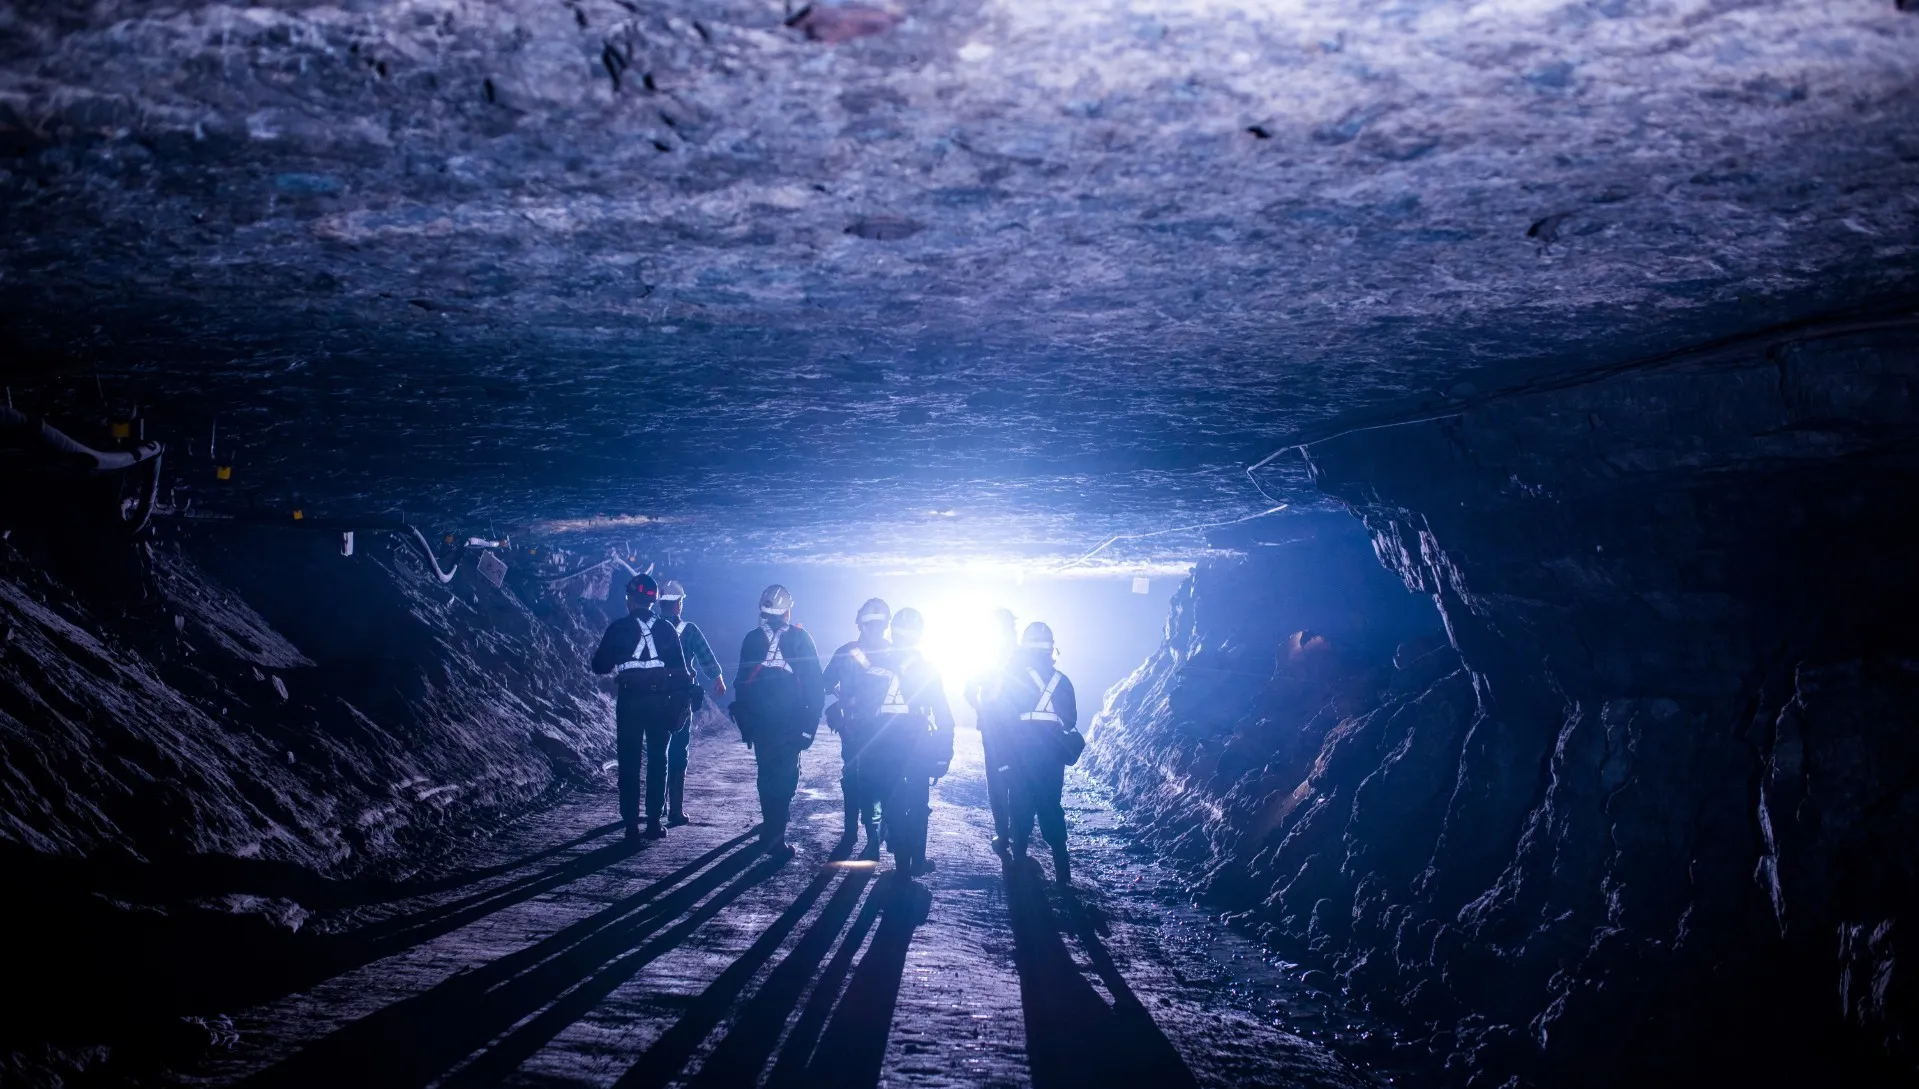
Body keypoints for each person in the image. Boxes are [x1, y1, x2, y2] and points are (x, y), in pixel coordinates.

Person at [590, 574, 695, 841]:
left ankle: (630, 826)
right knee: (659, 760)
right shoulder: (666, 629)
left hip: (630, 702)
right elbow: (681, 672)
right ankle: (653, 823)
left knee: (629, 761)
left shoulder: (618, 628)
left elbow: (599, 666)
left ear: (629, 601)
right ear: (654, 601)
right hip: (660, 703)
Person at [729, 584, 823, 859]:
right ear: (788, 610)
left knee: (766, 773)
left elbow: (741, 682)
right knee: (785, 777)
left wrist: (746, 722)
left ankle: (770, 828)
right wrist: (812, 722)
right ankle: (775, 837)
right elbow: (815, 684)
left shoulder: (751, 639)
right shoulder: (800, 638)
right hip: (791, 722)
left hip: (761, 723)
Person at [861, 607, 954, 877]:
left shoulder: (874, 665)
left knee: (890, 800)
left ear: (892, 632)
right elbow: (944, 715)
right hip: (917, 744)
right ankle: (917, 860)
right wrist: (943, 754)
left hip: (883, 744)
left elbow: (862, 711)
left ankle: (900, 858)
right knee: (918, 803)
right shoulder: (928, 670)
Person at [998, 621, 1082, 884]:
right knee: (1051, 809)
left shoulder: (1013, 679)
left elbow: (1001, 720)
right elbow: (1070, 720)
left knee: (1020, 808)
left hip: (1020, 756)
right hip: (1051, 759)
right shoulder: (1062, 681)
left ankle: (1018, 863)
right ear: (1051, 649)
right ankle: (1062, 872)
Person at [823, 598, 895, 859]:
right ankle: (875, 832)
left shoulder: (847, 652)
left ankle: (857, 833)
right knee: (880, 780)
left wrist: (839, 700)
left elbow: (825, 682)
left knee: (855, 779)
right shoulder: (896, 653)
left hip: (856, 728)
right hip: (884, 732)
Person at [657, 578, 727, 827]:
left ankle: (656, 808)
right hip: (679, 703)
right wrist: (717, 678)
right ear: (678, 605)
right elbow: (705, 656)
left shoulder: (649, 628)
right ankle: (675, 809)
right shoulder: (688, 630)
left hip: (652, 699)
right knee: (678, 751)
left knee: (657, 752)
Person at [962, 608, 1019, 858]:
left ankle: (1003, 834)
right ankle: (1019, 833)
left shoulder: (985, 658)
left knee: (996, 782)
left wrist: (982, 710)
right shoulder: (1021, 657)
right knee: (1019, 781)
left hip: (993, 730)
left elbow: (968, 691)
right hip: (1020, 731)